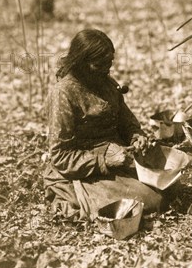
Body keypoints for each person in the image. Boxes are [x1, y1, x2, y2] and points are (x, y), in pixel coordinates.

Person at [44, 28, 163, 220]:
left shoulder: (104, 80)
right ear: (81, 62)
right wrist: (103, 160)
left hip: (119, 157)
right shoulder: (64, 93)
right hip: (85, 169)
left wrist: (136, 136)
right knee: (149, 200)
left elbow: (126, 121)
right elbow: (60, 156)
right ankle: (76, 197)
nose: (107, 69)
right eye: (99, 64)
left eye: (110, 63)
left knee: (168, 184)